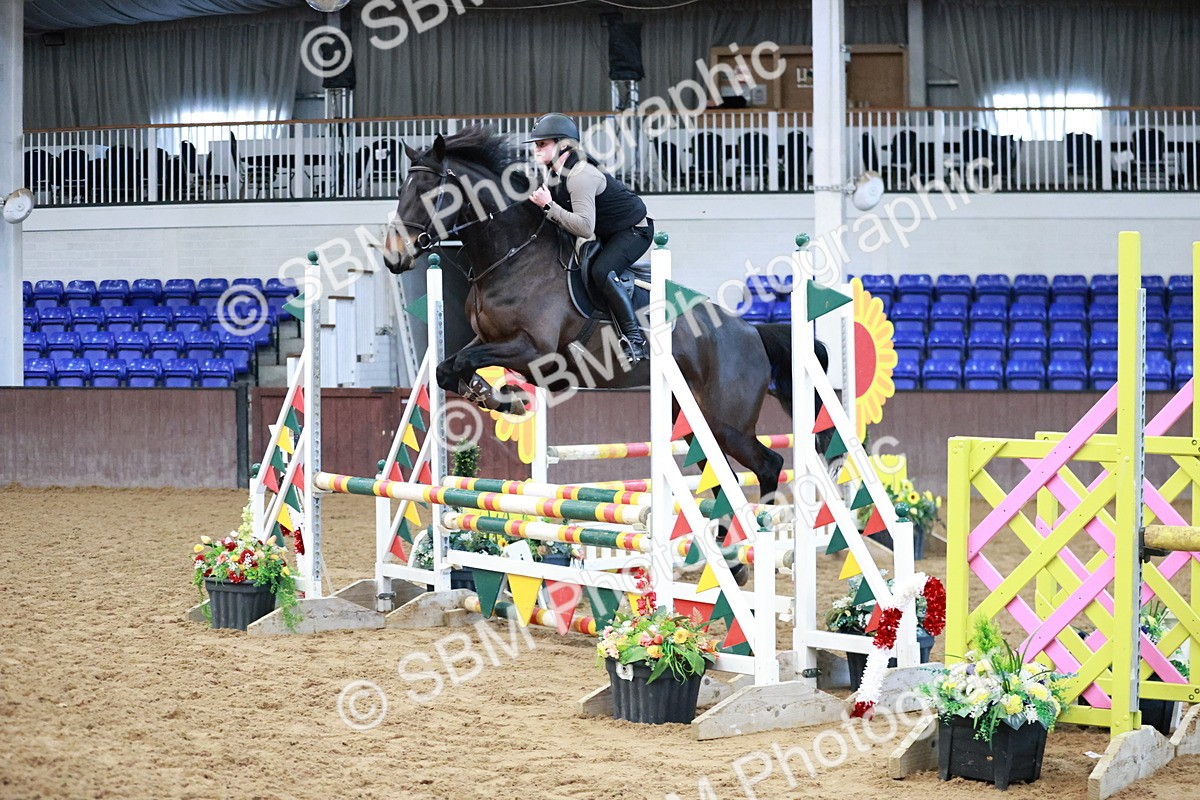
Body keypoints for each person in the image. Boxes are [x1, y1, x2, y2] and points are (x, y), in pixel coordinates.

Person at [526, 113, 653, 365]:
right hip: (609, 232)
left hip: (634, 231)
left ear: (564, 145)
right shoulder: (554, 173)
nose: (536, 150)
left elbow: (584, 228)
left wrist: (548, 206)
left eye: (542, 144)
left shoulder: (580, 174)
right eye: (537, 145)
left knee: (601, 270)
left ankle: (635, 340)